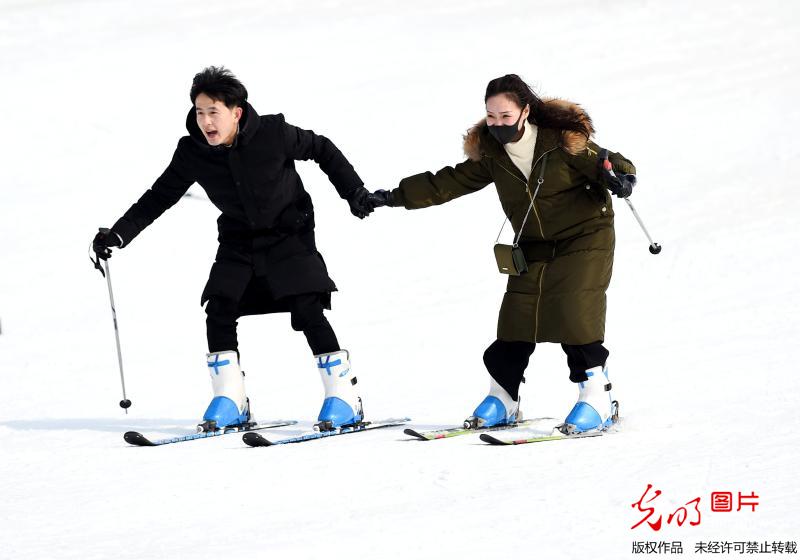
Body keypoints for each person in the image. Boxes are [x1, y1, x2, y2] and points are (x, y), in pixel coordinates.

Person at [92, 66, 373, 432]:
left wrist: (354, 192)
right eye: (199, 111)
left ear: (236, 112)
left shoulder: (273, 133)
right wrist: (119, 234)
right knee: (221, 306)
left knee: (306, 306)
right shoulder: (192, 151)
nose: (206, 121)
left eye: (214, 112)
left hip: (290, 234)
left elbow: (322, 149)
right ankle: (231, 398)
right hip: (239, 241)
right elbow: (160, 196)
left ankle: (343, 397)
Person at [369, 74, 636, 434]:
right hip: (533, 244)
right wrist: (393, 196)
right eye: (491, 117)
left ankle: (596, 397)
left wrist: (621, 179)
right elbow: (448, 182)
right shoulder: (493, 154)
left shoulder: (563, 142)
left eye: (505, 116)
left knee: (575, 311)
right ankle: (503, 397)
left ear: (525, 111)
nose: (497, 125)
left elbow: (610, 163)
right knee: (516, 319)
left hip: (585, 235)